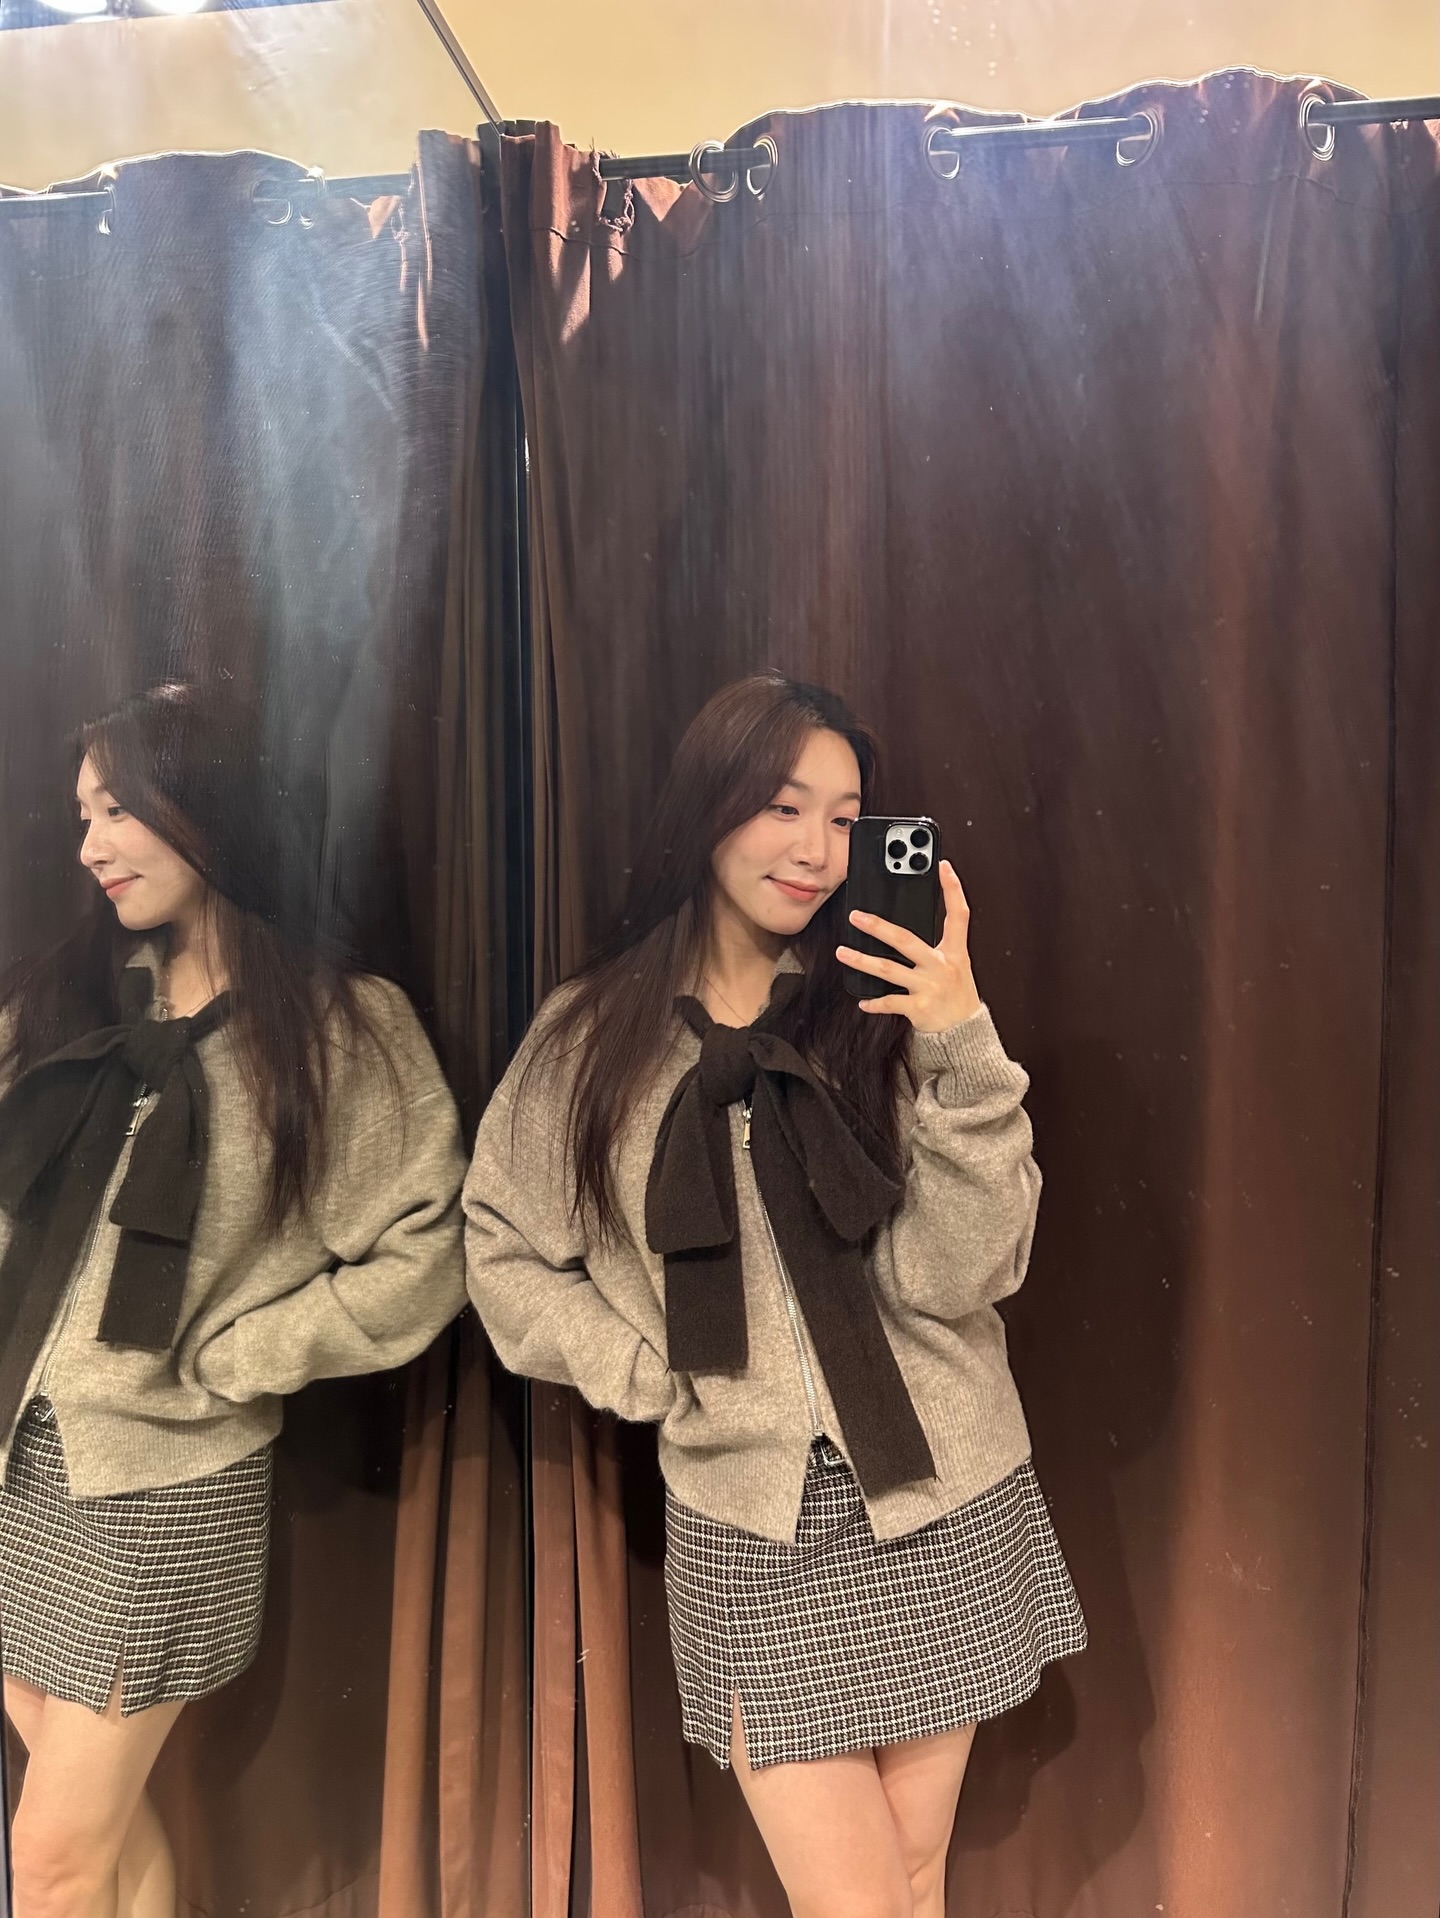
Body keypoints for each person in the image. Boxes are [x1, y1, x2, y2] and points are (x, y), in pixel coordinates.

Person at [464, 672, 1086, 1918]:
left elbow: (961, 1273)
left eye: (845, 818)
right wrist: (645, 1369)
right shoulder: (591, 1037)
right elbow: (500, 1244)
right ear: (709, 807)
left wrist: (961, 1037)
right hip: (750, 1524)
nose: (815, 850)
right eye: (782, 806)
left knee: (914, 1880)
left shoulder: (880, 1003)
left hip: (946, 1489)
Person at [0, 684, 468, 1918]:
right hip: (18, 1460)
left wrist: (247, 1350)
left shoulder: (338, 1029)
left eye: (119, 809)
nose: (90, 845)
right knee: (91, 1836)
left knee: (47, 1857)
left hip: (163, 1483)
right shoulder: (57, 1005)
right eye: (83, 814)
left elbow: (429, 1246)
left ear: (205, 806)